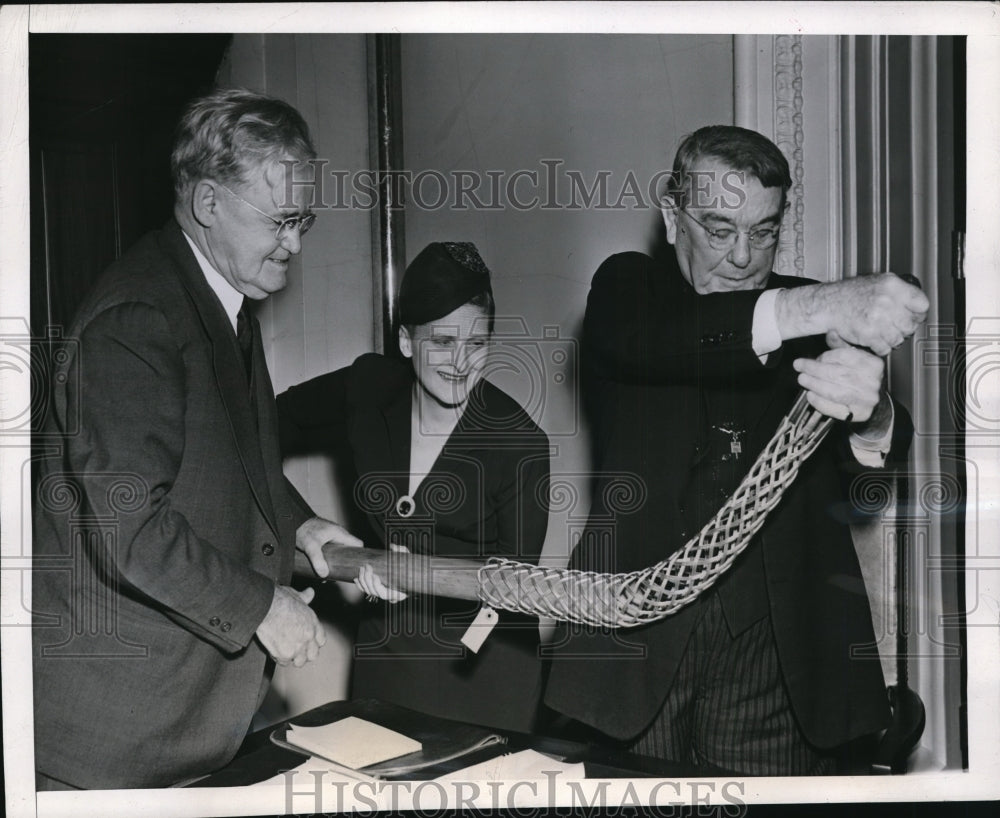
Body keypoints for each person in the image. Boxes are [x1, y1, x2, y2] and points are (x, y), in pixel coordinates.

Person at [543, 125, 930, 775]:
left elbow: (866, 488)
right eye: (720, 230)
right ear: (672, 218)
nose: (744, 257)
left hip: (779, 662)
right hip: (632, 653)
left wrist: (874, 416)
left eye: (765, 231)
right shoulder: (628, 291)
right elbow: (654, 338)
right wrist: (822, 305)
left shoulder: (813, 322)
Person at [31, 88, 362, 790]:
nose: (296, 244)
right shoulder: (139, 319)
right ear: (209, 204)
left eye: (305, 220)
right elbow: (130, 524)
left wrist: (303, 528)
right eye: (281, 221)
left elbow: (227, 462)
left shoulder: (217, 299)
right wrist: (262, 606)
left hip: (187, 726)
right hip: (114, 743)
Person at [277, 241, 551, 732]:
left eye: (477, 344)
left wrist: (414, 577)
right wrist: (297, 520)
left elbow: (515, 587)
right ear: (406, 341)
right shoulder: (368, 386)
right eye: (442, 343)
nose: (461, 363)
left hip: (482, 665)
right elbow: (262, 424)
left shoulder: (521, 441)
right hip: (389, 653)